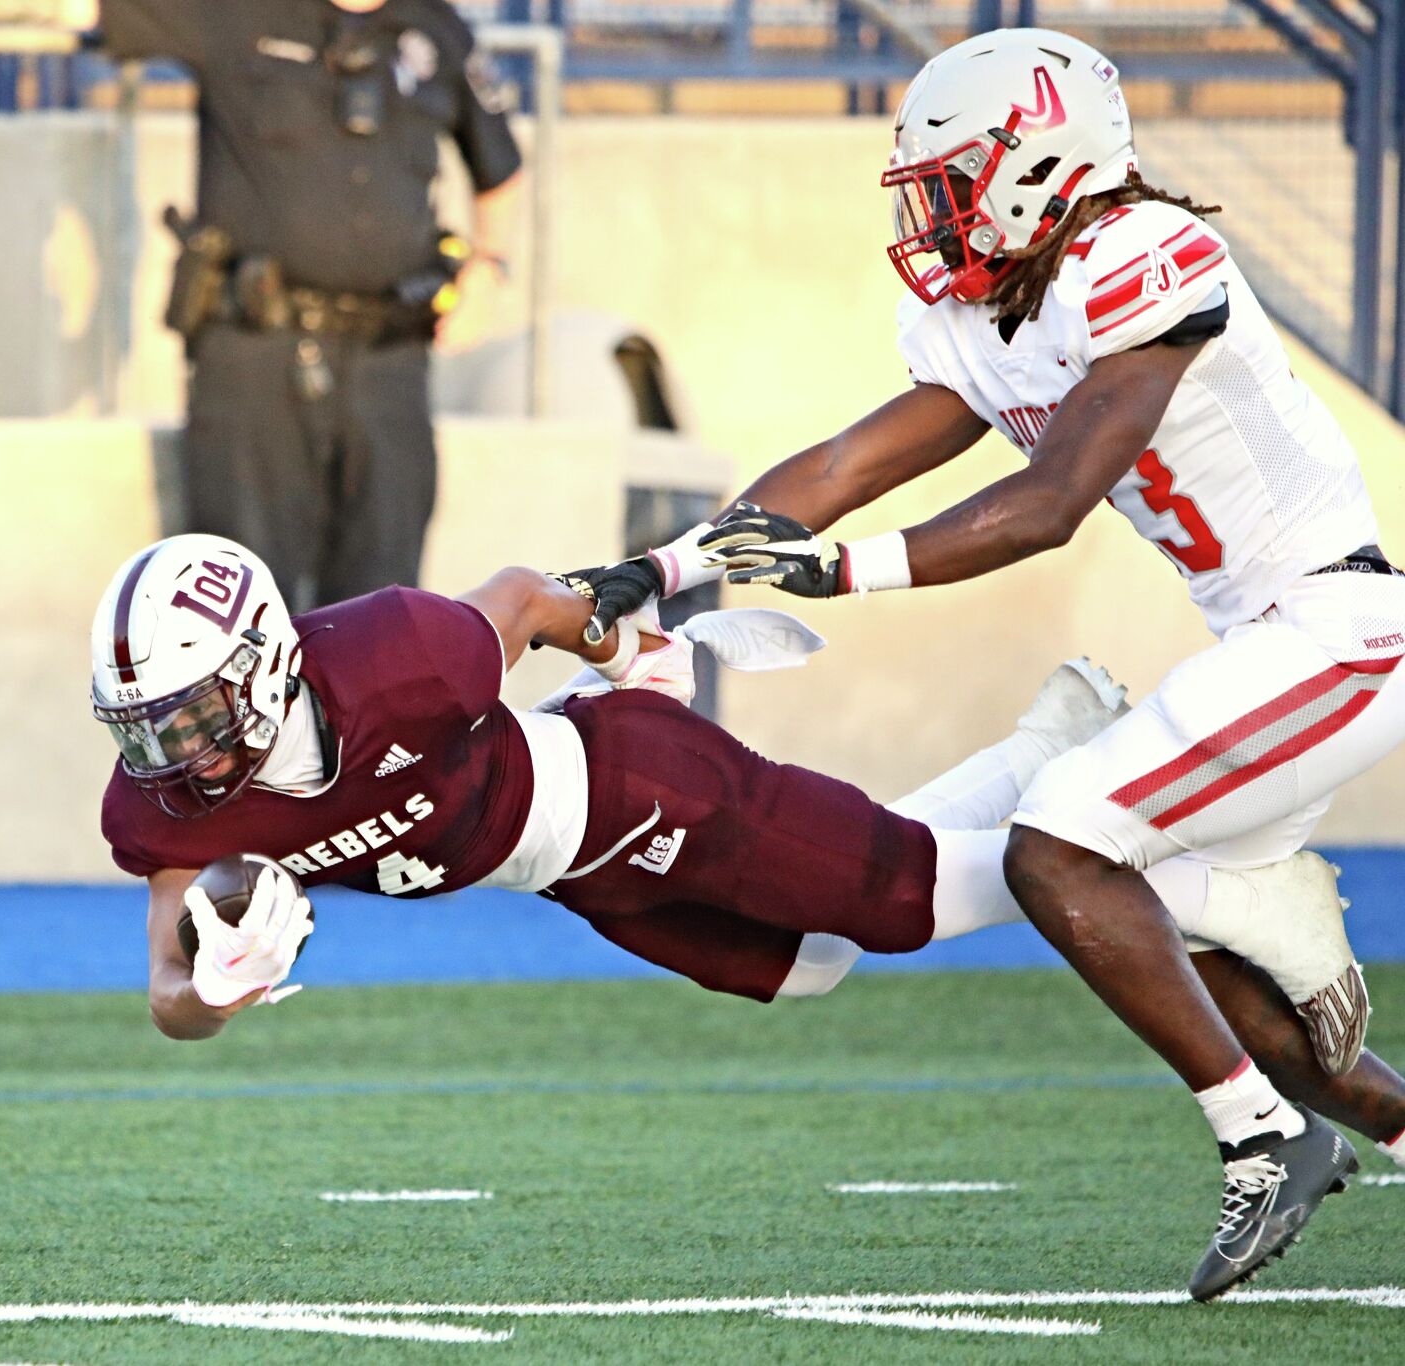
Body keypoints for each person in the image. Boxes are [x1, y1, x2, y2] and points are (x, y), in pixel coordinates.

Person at [564, 27, 1400, 1299]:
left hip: (1339, 634)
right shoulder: (992, 306)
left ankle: (1258, 1144)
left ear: (1036, 167)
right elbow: (840, 468)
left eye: (951, 182)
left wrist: (841, 575)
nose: (934, 216)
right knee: (1212, 985)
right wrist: (670, 566)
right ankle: (1316, 1069)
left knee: (1055, 839)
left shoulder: (1141, 256)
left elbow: (1050, 499)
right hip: (1265, 646)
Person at [89, 533, 1405, 1208]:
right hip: (571, 873)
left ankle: (1213, 889)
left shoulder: (397, 658)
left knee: (907, 903)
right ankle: (1040, 755)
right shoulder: (170, 803)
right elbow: (164, 985)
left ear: (265, 662)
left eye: (190, 716)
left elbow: (520, 600)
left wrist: (634, 656)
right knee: (812, 966)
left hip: (622, 780)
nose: (171, 752)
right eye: (146, 727)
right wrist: (222, 984)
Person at [0, 0, 521, 612]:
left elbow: (500, 167)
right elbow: (82, 7)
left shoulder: (439, 30)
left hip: (388, 362)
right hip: (253, 359)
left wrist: (490, 267)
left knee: (384, 617)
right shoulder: (235, 10)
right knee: (237, 613)